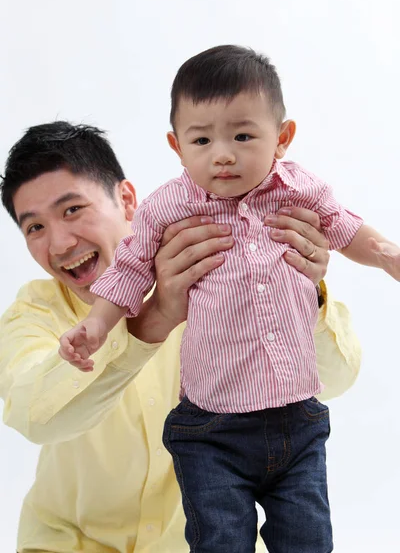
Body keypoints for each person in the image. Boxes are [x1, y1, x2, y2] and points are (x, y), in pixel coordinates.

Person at [56, 46, 399, 552]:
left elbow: (349, 231)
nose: (223, 153)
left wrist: (389, 256)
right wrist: (98, 325)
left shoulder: (299, 189)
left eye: (243, 135)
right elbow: (130, 268)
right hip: (212, 429)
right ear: (176, 146)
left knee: (309, 539)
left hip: (298, 420)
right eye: (202, 139)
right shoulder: (170, 206)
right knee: (221, 541)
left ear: (281, 138)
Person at [0, 120, 361, 553]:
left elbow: (337, 380)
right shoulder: (34, 311)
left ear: (127, 200)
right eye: (34, 227)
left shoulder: (223, 261)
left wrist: (305, 290)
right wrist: (151, 322)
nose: (59, 244)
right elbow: (35, 418)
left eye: (72, 209)